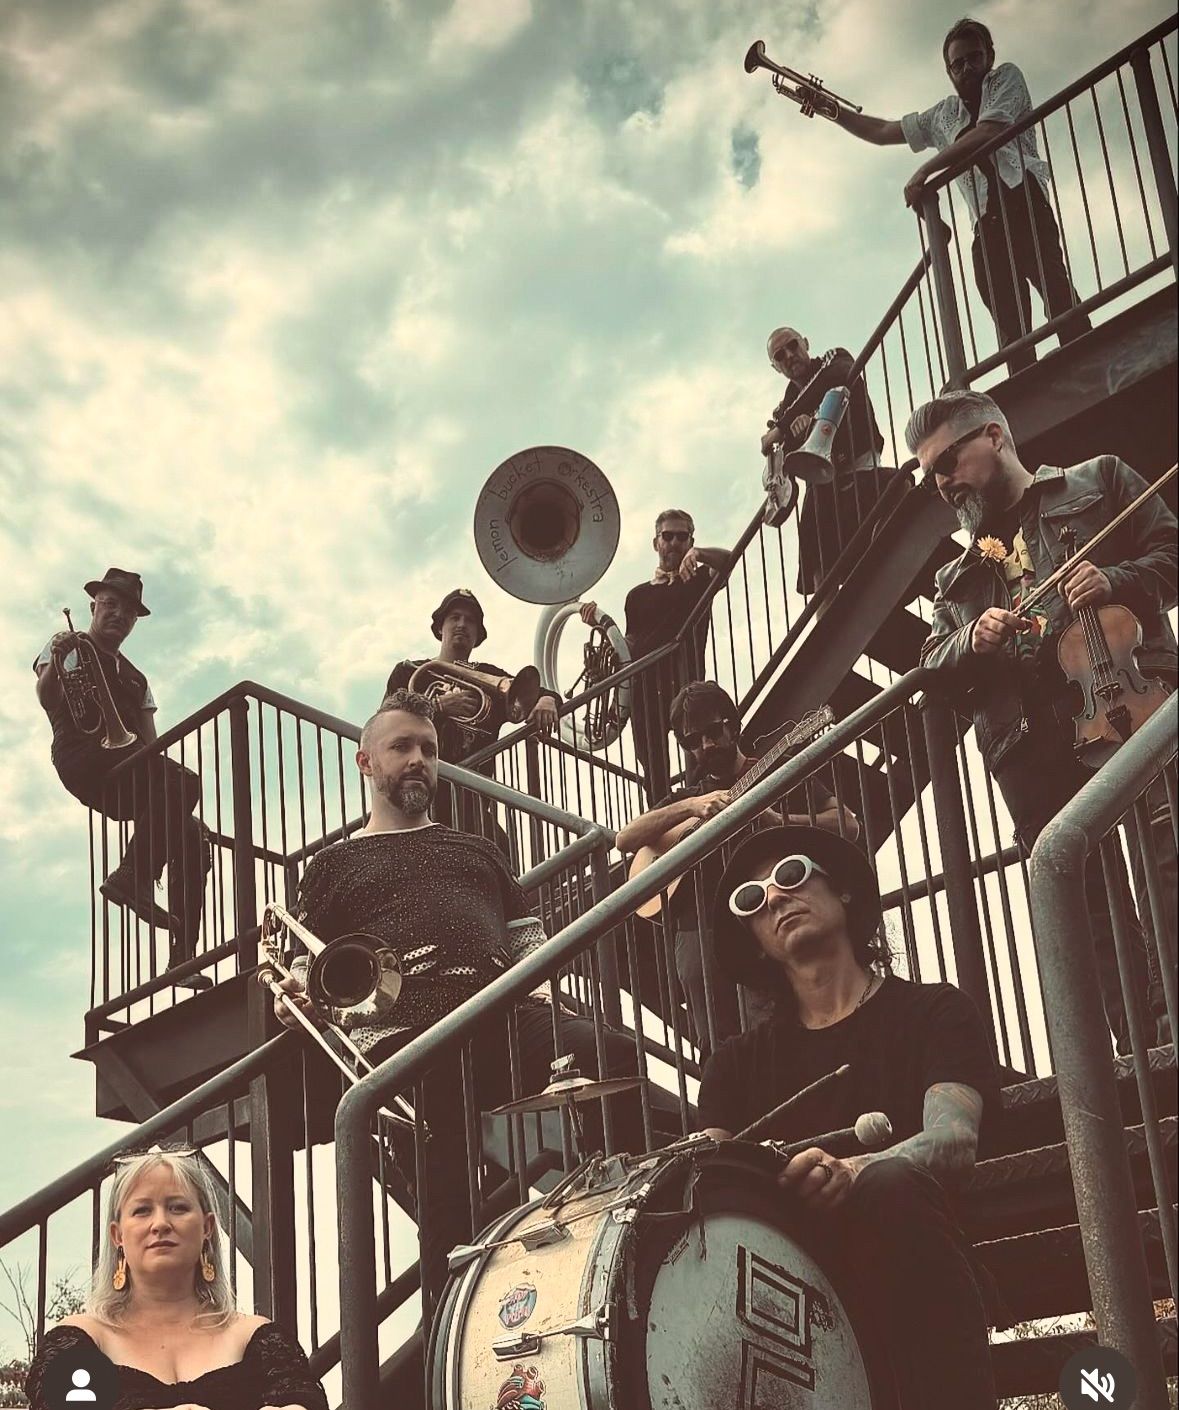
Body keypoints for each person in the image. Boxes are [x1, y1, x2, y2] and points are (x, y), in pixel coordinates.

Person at [265, 691, 662, 1316]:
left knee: (608, 1047)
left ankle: (646, 1225)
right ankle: (448, 1350)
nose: (419, 759)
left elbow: (526, 942)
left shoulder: (476, 849)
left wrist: (548, 1003)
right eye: (402, 747)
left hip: (500, 1016)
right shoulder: (331, 865)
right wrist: (294, 997)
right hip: (405, 1043)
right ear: (366, 763)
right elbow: (299, 965)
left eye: (429, 748)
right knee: (450, 1212)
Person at [697, 824, 1000, 1410]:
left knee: (889, 1183)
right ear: (756, 941)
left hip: (911, 1269)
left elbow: (954, 1138)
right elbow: (706, 1176)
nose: (776, 896)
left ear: (845, 895)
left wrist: (854, 1169)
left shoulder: (935, 1012)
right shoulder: (735, 1064)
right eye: (753, 898)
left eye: (790, 874)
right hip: (786, 1291)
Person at [910, 389, 1176, 1051]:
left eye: (950, 458)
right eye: (930, 472)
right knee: (1086, 911)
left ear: (995, 436)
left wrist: (1115, 579)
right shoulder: (955, 580)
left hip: (1128, 700)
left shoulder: (1099, 480)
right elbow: (929, 672)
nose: (942, 482)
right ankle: (1140, 1053)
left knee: (1170, 862)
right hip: (1027, 749)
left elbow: (1172, 554)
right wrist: (968, 638)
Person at [825, 17, 1090, 373]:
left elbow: (987, 133)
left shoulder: (1007, 78)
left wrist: (925, 170)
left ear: (989, 57)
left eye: (974, 58)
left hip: (1024, 202)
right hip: (987, 222)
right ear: (948, 71)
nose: (967, 68)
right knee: (1010, 325)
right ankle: (1027, 378)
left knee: (1057, 292)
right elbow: (883, 130)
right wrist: (829, 109)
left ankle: (1091, 360)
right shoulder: (943, 115)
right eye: (957, 64)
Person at [616, 681, 859, 1057]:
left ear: (733, 726)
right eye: (692, 741)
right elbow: (626, 840)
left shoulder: (776, 770)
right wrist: (691, 807)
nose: (706, 746)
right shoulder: (686, 798)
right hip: (698, 931)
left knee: (774, 1029)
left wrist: (777, 820)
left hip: (762, 917)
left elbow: (847, 824)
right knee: (717, 1047)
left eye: (713, 732)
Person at [25, 1149, 327, 1410]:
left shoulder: (255, 1337)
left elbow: (301, 1401)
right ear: (117, 1235)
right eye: (142, 1211)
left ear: (207, 1227)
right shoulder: (85, 1339)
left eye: (178, 1208)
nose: (160, 1224)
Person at [33, 569, 210, 986]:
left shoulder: (137, 679)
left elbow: (150, 744)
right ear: (93, 607)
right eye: (110, 605)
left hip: (127, 766)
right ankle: (134, 876)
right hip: (82, 758)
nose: (118, 615)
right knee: (187, 782)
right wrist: (53, 665)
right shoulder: (70, 647)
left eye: (128, 612)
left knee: (191, 836)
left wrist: (169, 802)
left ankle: (182, 959)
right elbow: (47, 700)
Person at [384, 588, 560, 844]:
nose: (462, 625)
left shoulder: (491, 676)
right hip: (419, 803)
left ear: (478, 635)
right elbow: (384, 727)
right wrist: (437, 706)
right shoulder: (409, 672)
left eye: (470, 621)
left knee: (501, 854)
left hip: (475, 807)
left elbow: (530, 693)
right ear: (439, 628)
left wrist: (548, 699)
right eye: (454, 617)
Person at [582, 511, 730, 803]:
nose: (674, 542)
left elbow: (728, 560)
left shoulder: (700, 579)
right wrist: (602, 628)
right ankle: (664, 818)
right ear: (656, 542)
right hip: (645, 690)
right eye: (667, 536)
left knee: (700, 755)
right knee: (653, 768)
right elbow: (632, 643)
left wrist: (699, 554)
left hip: (686, 685)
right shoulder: (637, 595)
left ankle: (702, 814)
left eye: (682, 536)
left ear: (691, 540)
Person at [760, 326, 891, 590]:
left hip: (861, 464)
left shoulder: (834, 358)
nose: (789, 356)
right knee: (811, 537)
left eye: (793, 346)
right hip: (824, 483)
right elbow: (791, 464)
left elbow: (839, 374)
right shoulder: (785, 408)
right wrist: (793, 433)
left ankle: (884, 550)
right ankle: (827, 611)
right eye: (779, 355)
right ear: (775, 367)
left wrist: (784, 427)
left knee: (897, 486)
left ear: (806, 343)